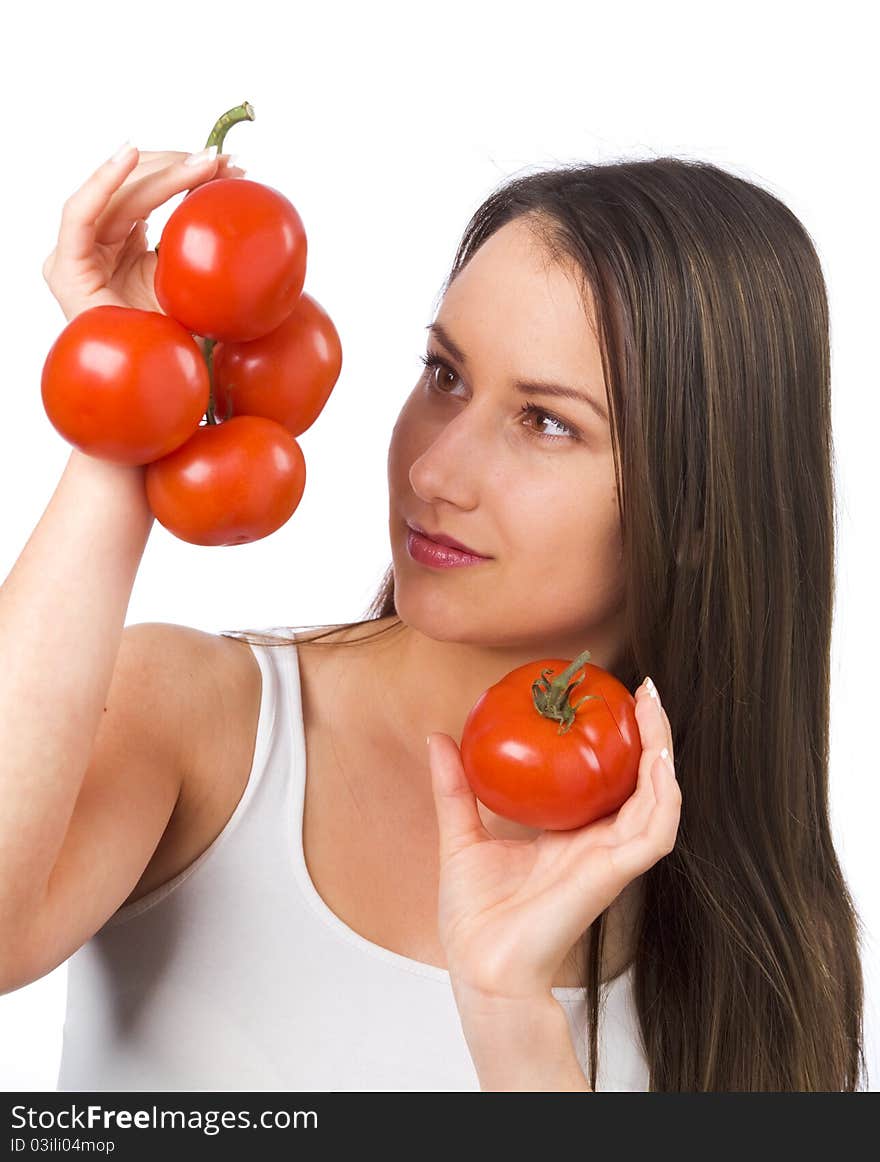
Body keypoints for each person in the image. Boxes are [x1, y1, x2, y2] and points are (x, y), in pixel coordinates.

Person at [0, 145, 867, 1092]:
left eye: (545, 422)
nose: (432, 473)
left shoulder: (772, 942)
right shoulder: (203, 724)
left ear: (700, 515)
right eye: (445, 374)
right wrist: (126, 403)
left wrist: (516, 1028)